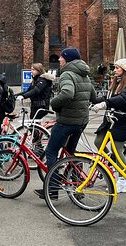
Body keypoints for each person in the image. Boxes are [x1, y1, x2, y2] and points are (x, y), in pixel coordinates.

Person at [35, 47, 94, 199]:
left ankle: (52, 189)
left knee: (51, 152)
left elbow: (67, 93)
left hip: (67, 120)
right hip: (81, 121)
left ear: (67, 59)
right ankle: (77, 184)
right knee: (70, 153)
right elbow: (93, 96)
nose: (59, 60)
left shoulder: (68, 74)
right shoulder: (84, 74)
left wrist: (54, 103)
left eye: (61, 57)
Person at [91, 58, 126, 193]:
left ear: (125, 70)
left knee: (117, 148)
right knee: (98, 141)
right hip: (113, 119)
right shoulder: (119, 82)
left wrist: (105, 104)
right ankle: (112, 164)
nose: (114, 71)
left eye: (117, 68)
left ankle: (122, 181)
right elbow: (110, 97)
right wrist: (93, 101)